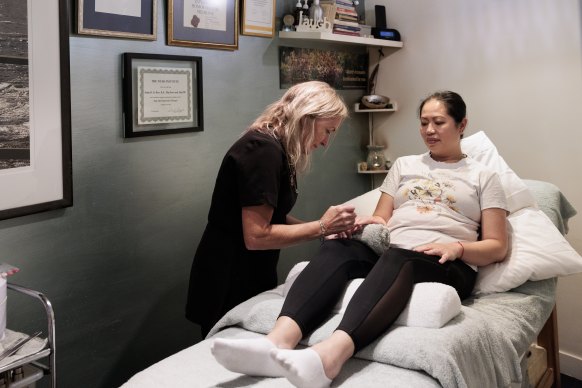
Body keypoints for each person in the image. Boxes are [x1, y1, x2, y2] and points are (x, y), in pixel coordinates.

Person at [210, 91, 510, 387]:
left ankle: (328, 358)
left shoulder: (484, 176)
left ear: (461, 125)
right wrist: (366, 223)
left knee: (399, 257)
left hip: (448, 261)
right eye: (423, 122)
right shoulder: (404, 166)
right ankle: (276, 341)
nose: (429, 130)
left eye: (439, 122)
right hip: (397, 252)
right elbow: (382, 219)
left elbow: (497, 246)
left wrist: (457, 247)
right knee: (340, 245)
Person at [186, 81, 356, 337]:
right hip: (229, 276)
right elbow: (257, 236)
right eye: (327, 131)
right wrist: (321, 226)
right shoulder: (262, 150)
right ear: (307, 117)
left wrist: (325, 231)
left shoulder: (276, 148)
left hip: (250, 270)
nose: (324, 142)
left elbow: (273, 216)